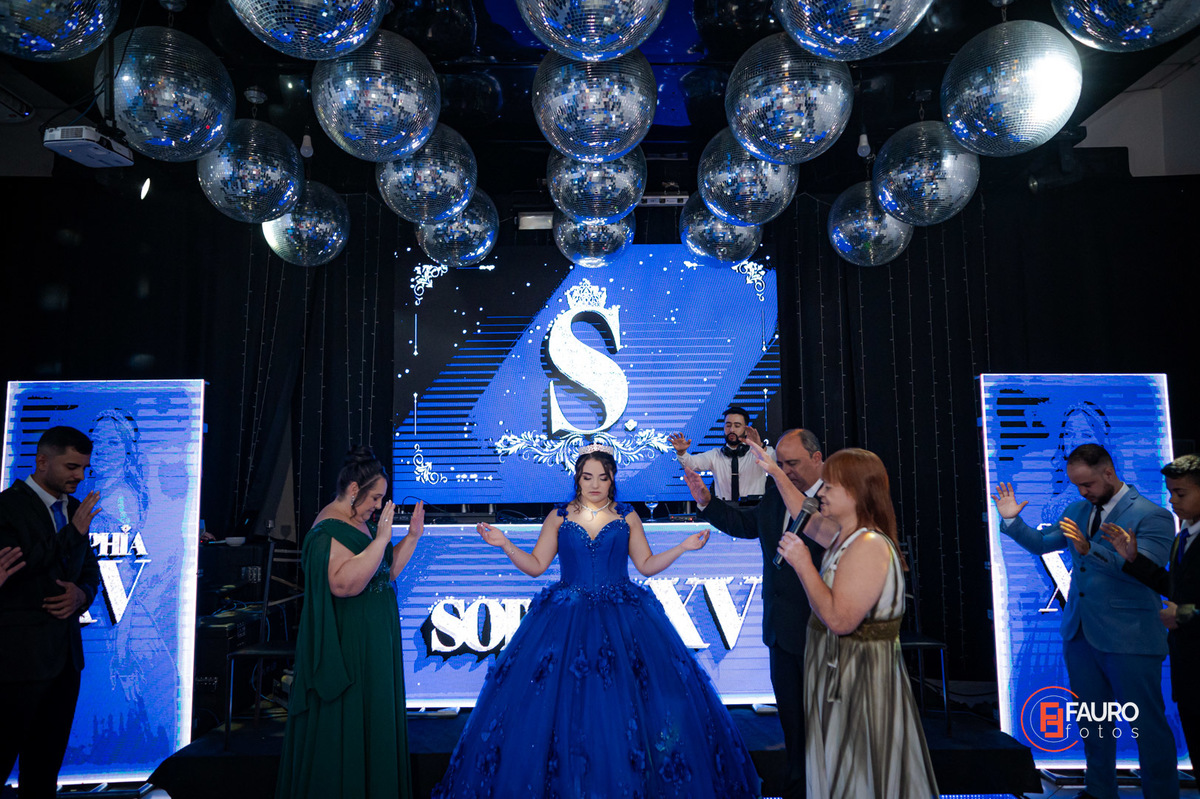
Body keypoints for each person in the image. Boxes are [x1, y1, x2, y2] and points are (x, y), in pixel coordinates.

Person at [432, 444, 761, 798]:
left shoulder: (627, 516)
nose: (594, 485)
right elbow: (536, 566)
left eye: (602, 478)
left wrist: (683, 548)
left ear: (612, 479)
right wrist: (504, 544)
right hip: (565, 618)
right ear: (577, 479)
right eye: (587, 477)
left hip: (624, 618)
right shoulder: (559, 516)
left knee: (626, 705)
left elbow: (646, 565)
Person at [993, 443, 1177, 799]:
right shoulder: (1077, 510)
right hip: (1081, 634)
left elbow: (1149, 572)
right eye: (1077, 485)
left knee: (1147, 726)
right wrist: (1013, 521)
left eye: (1088, 484)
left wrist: (1091, 551)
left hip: (1131, 637)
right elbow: (1043, 543)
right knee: (1093, 723)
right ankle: (1099, 792)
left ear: (1109, 472)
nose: (1082, 492)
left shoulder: (1152, 515)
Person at [773, 447, 938, 798]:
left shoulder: (869, 545)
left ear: (856, 492)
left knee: (860, 771)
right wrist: (774, 472)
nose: (821, 492)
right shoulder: (843, 537)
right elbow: (802, 513)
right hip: (840, 677)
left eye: (830, 487)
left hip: (858, 682)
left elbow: (839, 620)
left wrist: (803, 564)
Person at [682, 428, 826, 799]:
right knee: (793, 729)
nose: (786, 471)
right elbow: (747, 525)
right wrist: (706, 501)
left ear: (817, 459)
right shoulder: (776, 496)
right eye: (781, 464)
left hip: (822, 631)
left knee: (825, 729)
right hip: (780, 631)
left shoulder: (833, 500)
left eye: (793, 463)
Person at [276, 447, 427, 799]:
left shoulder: (361, 523)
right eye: (375, 498)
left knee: (375, 718)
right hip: (351, 643)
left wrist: (412, 536)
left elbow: (384, 572)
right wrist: (382, 539)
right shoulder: (329, 530)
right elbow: (345, 585)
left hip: (375, 640)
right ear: (354, 489)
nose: (378, 505)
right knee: (351, 722)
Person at [0, 426, 102, 799]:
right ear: (42, 462)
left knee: (44, 773)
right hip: (17, 664)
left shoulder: (74, 510)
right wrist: (72, 533)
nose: (80, 476)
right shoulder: (7, 508)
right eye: (72, 467)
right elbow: (19, 569)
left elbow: (90, 572)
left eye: (84, 468)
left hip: (64, 662)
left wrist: (81, 595)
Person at [1103, 453, 1200, 764]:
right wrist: (1134, 560)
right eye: (1170, 492)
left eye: (1180, 493)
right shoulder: (1184, 536)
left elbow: (1184, 604)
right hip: (1189, 668)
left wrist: (1184, 614)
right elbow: (1174, 588)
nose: (1172, 501)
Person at [670, 406, 775, 501]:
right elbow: (691, 464)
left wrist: (760, 447)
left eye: (737, 426)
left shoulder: (759, 453)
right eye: (728, 425)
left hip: (754, 511)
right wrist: (681, 452)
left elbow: (774, 465)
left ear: (746, 430)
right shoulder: (715, 455)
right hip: (724, 511)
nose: (731, 430)